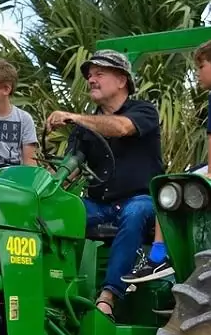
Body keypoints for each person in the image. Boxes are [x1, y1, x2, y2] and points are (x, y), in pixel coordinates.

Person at [121, 37, 211, 284]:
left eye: (201, 66)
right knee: (178, 186)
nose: (197, 73)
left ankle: (157, 259)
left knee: (167, 187)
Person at [46, 50, 165, 321]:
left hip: (141, 200)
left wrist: (75, 118)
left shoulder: (143, 110)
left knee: (134, 213)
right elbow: (70, 170)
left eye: (100, 74)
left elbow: (121, 128)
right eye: (90, 75)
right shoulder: (82, 128)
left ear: (122, 80)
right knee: (56, 214)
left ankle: (108, 297)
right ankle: (57, 292)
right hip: (99, 205)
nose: (91, 80)